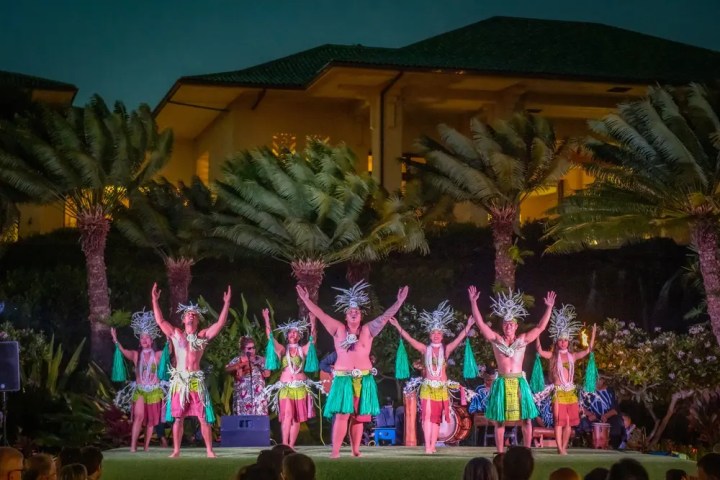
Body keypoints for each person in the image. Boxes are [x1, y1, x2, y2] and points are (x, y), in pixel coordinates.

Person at [296, 280, 409, 458]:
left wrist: (399, 301)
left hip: (364, 379)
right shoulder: (338, 329)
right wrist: (306, 300)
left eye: (356, 311)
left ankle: (356, 450)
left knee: (359, 417)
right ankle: (335, 451)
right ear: (346, 316)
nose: (354, 313)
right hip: (343, 379)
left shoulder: (367, 330)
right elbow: (321, 314)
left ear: (360, 316)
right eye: (350, 311)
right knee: (342, 415)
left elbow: (386, 316)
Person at [469, 286, 556, 453]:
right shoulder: (496, 339)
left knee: (527, 419)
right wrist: (474, 302)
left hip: (518, 381)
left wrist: (549, 307)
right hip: (502, 381)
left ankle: (526, 450)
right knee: (500, 420)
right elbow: (480, 324)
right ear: (503, 326)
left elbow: (539, 328)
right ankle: (500, 452)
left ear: (516, 326)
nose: (509, 326)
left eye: (512, 324)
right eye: (506, 323)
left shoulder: (522, 340)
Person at [151, 282, 232, 458]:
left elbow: (220, 323)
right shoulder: (176, 334)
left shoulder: (202, 337)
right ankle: (176, 450)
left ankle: (210, 450)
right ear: (183, 319)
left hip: (195, 380)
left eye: (194, 315)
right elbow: (160, 321)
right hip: (180, 380)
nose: (191, 316)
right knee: (178, 418)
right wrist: (154, 300)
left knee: (202, 417)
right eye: (188, 314)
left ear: (197, 320)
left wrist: (226, 303)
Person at [387, 301, 474, 453]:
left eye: (439, 333)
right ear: (430, 334)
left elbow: (459, 339)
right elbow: (410, 340)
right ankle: (428, 446)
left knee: (436, 419)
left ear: (442, 335)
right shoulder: (424, 349)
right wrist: (398, 327)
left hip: (441, 389)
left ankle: (432, 445)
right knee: (426, 417)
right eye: (433, 333)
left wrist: (468, 326)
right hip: (427, 387)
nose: (436, 336)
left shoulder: (446, 349)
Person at [535, 305, 597, 455]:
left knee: (568, 422)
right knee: (558, 420)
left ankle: (564, 447)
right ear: (557, 342)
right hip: (558, 391)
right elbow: (539, 351)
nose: (563, 342)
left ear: (568, 342)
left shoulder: (573, 356)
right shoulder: (553, 356)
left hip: (570, 391)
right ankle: (559, 448)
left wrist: (593, 334)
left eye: (565, 340)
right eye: (560, 340)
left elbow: (588, 350)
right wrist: (537, 333)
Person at [262, 309, 321, 448]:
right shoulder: (282, 350)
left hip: (300, 387)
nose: (292, 333)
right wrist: (266, 319)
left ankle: (291, 446)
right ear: (287, 335)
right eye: (290, 331)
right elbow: (270, 337)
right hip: (285, 387)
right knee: (287, 415)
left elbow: (313, 339)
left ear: (299, 335)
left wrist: (312, 321)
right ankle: (284, 444)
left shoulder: (302, 350)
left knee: (296, 419)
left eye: (295, 332)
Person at [110, 310, 166, 452]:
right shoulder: (136, 355)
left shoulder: (158, 355)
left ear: (151, 339)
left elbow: (170, 350)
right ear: (140, 341)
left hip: (154, 390)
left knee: (151, 421)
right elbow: (122, 351)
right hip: (140, 389)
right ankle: (133, 447)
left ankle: (146, 447)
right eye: (142, 338)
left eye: (147, 338)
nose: (144, 340)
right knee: (139, 417)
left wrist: (169, 336)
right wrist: (115, 340)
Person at [226, 336, 270, 416]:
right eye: (249, 348)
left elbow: (267, 374)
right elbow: (227, 369)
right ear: (243, 349)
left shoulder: (259, 359)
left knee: (259, 422)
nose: (252, 350)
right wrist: (243, 364)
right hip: (243, 398)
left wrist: (262, 363)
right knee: (243, 422)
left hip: (258, 398)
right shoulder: (238, 360)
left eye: (253, 348)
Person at [579, 373, 625, 449]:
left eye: (599, 379)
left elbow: (615, 410)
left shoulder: (610, 391)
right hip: (592, 417)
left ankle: (612, 446)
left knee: (617, 421)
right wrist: (589, 414)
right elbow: (580, 406)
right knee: (583, 421)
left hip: (608, 417)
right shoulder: (585, 390)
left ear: (603, 380)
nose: (596, 381)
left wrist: (606, 416)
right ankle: (588, 444)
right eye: (594, 379)